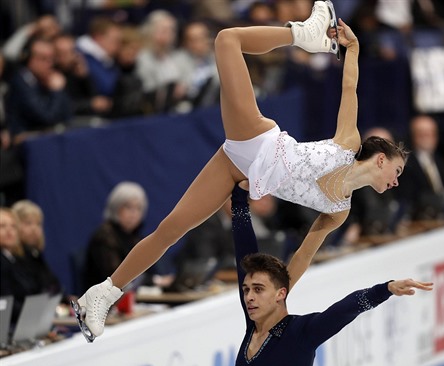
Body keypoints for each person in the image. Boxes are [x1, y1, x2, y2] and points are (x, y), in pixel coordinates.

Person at [73, 1, 409, 342]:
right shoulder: (348, 144)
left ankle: (102, 294)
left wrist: (280, 301)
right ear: (380, 159)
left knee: (170, 229)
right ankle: (301, 33)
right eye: (396, 171)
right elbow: (349, 88)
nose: (396, 182)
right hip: (260, 141)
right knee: (226, 40)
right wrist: (353, 48)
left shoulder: (340, 210)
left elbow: (303, 255)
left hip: (237, 164)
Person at [229, 184, 432, 366]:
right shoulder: (253, 326)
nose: (248, 297)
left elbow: (344, 309)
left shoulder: (302, 333)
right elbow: (244, 250)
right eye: (246, 290)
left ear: (281, 294)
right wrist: (239, 197)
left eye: (258, 289)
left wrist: (385, 289)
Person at [83, 181, 149, 290]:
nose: (134, 214)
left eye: (138, 208)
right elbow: (115, 276)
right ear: (115, 208)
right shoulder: (104, 236)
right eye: (128, 207)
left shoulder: (135, 237)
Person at [11, 200, 62, 296]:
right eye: (28, 223)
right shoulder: (13, 260)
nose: (34, 229)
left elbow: (54, 285)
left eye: (38, 224)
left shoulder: (35, 255)